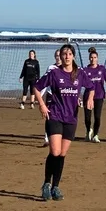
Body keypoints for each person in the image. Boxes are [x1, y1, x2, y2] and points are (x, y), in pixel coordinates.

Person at [32, 44, 94, 201]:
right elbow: (37, 88)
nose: (67, 56)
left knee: (62, 154)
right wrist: (42, 105)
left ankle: (56, 187)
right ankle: (46, 184)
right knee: (55, 151)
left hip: (71, 118)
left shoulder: (80, 73)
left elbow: (91, 87)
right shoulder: (54, 73)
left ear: (73, 56)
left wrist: (90, 98)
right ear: (60, 56)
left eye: (69, 54)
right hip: (55, 116)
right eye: (64, 54)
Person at [82, 47, 106, 142]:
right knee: (87, 118)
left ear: (97, 58)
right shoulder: (85, 70)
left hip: (99, 95)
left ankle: (95, 135)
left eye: (95, 57)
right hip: (88, 96)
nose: (93, 59)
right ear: (89, 58)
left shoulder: (102, 69)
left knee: (97, 116)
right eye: (91, 57)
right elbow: (80, 83)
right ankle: (88, 130)